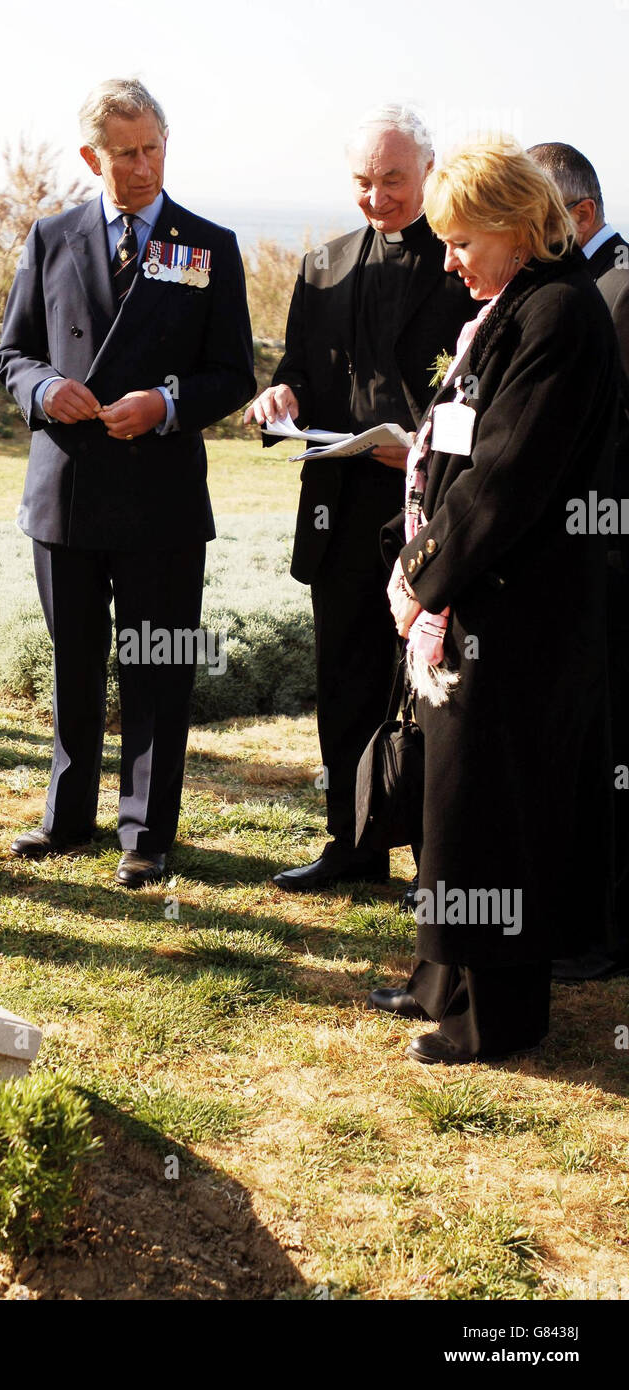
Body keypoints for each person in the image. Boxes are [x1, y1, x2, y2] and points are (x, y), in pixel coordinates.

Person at [368, 139, 618, 1063]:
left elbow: (506, 482)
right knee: (453, 797)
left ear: (517, 228)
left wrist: (419, 575)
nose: (448, 260)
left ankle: (497, 1016)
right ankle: (443, 977)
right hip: (474, 601)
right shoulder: (510, 303)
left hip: (520, 612)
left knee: (497, 809)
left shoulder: (558, 315)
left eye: (462, 240)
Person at [0, 78, 254, 889]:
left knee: (156, 668)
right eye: (125, 153)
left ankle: (145, 833)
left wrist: (168, 404)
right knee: (74, 663)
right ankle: (66, 818)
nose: (143, 167)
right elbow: (11, 353)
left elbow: (233, 372)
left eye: (154, 148)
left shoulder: (207, 244)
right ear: (90, 156)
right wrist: (42, 389)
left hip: (162, 497)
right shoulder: (50, 236)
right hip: (65, 492)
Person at [244, 105, 473, 894]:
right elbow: (302, 372)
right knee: (343, 679)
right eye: (363, 182)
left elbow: (485, 391)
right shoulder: (323, 265)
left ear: (429, 174)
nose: (376, 198)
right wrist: (279, 397)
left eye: (393, 181)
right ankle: (351, 842)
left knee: (428, 686)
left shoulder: (463, 261)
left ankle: (430, 862)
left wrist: (421, 446)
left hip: (431, 508)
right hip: (338, 507)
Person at [527, 142, 629, 983]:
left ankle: (602, 936)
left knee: (608, 750)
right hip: (573, 556)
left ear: (580, 218)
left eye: (534, 212)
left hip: (610, 558)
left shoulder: (619, 291)